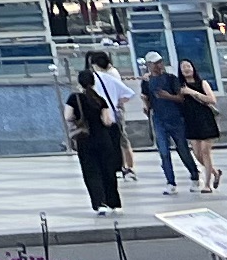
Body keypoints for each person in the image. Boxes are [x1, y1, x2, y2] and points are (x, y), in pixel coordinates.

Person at [68, 68, 128, 212]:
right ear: (94, 82)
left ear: (79, 83)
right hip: (103, 138)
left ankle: (99, 204)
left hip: (85, 139)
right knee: (108, 171)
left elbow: (68, 116)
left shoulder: (74, 98)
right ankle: (114, 203)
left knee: (91, 172)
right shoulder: (100, 100)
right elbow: (107, 121)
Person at [171, 60, 226, 194]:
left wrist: (192, 92)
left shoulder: (202, 83)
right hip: (191, 121)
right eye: (183, 67)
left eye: (188, 66)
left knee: (205, 152)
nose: (186, 69)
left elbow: (212, 100)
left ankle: (207, 184)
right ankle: (215, 172)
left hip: (205, 120)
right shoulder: (180, 86)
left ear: (193, 68)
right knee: (197, 154)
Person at [139, 55, 187, 190]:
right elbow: (148, 103)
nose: (157, 66)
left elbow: (181, 98)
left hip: (175, 118)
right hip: (159, 119)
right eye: (154, 63)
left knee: (183, 149)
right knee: (164, 151)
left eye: (159, 62)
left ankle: (194, 174)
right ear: (149, 65)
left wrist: (168, 96)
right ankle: (170, 181)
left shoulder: (171, 79)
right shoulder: (147, 82)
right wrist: (145, 102)